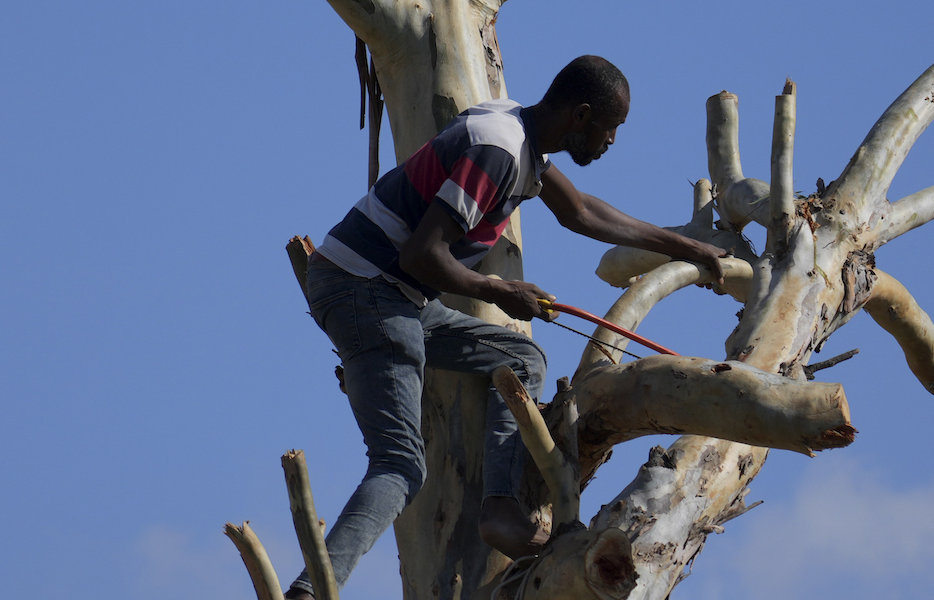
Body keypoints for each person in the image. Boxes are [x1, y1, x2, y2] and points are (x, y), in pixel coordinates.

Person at [286, 55, 725, 599]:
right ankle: (309, 590)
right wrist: (501, 291)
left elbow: (583, 212)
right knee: (400, 464)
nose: (613, 141)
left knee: (522, 359)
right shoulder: (498, 150)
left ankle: (498, 508)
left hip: (392, 296)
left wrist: (689, 247)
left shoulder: (526, 143)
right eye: (611, 127)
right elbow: (425, 255)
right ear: (582, 115)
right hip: (364, 289)